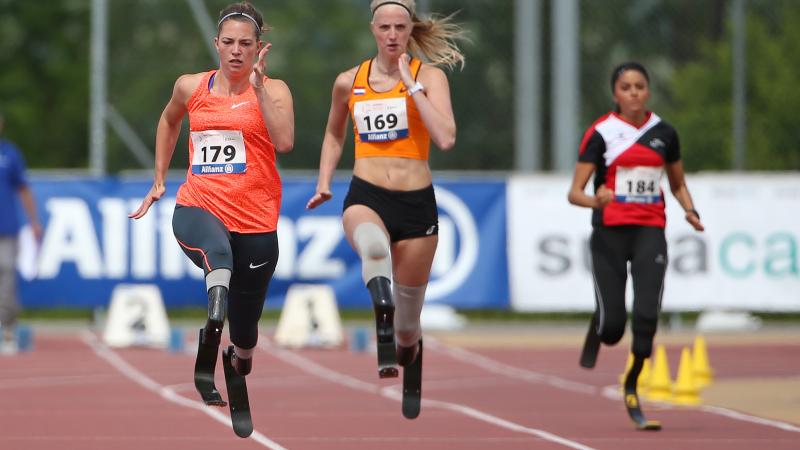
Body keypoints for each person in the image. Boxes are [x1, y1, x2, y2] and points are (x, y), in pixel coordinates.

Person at [129, 0, 293, 428]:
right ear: (216, 44)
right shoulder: (191, 87)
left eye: (246, 44)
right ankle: (208, 340)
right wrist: (160, 178)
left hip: (256, 222)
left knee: (247, 332)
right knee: (217, 267)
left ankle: (235, 363)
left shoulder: (274, 91)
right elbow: (169, 122)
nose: (236, 51)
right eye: (229, 43)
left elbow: (286, 141)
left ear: (260, 47)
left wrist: (258, 90)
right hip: (199, 206)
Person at [306, 0, 465, 396]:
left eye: (400, 27)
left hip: (416, 205)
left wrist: (414, 90)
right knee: (374, 249)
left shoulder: (429, 77)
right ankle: (381, 307)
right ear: (373, 29)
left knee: (408, 330)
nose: (392, 36)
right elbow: (333, 133)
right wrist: (324, 180)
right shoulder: (349, 80)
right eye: (384, 28)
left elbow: (445, 138)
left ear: (411, 29)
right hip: (367, 194)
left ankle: (405, 341)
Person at [567, 61, 704, 428]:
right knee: (613, 328)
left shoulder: (665, 132)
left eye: (639, 86)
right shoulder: (600, 132)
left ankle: (631, 383)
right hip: (610, 234)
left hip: (649, 230)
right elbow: (574, 193)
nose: (633, 93)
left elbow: (676, 183)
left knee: (646, 316)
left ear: (648, 91)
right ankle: (600, 323)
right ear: (615, 94)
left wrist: (689, 210)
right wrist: (595, 199)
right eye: (625, 87)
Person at [0, 110, 43, 354]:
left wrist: (34, 220)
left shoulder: (10, 154)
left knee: (6, 274)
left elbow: (23, 189)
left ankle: (7, 328)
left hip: (6, 226)